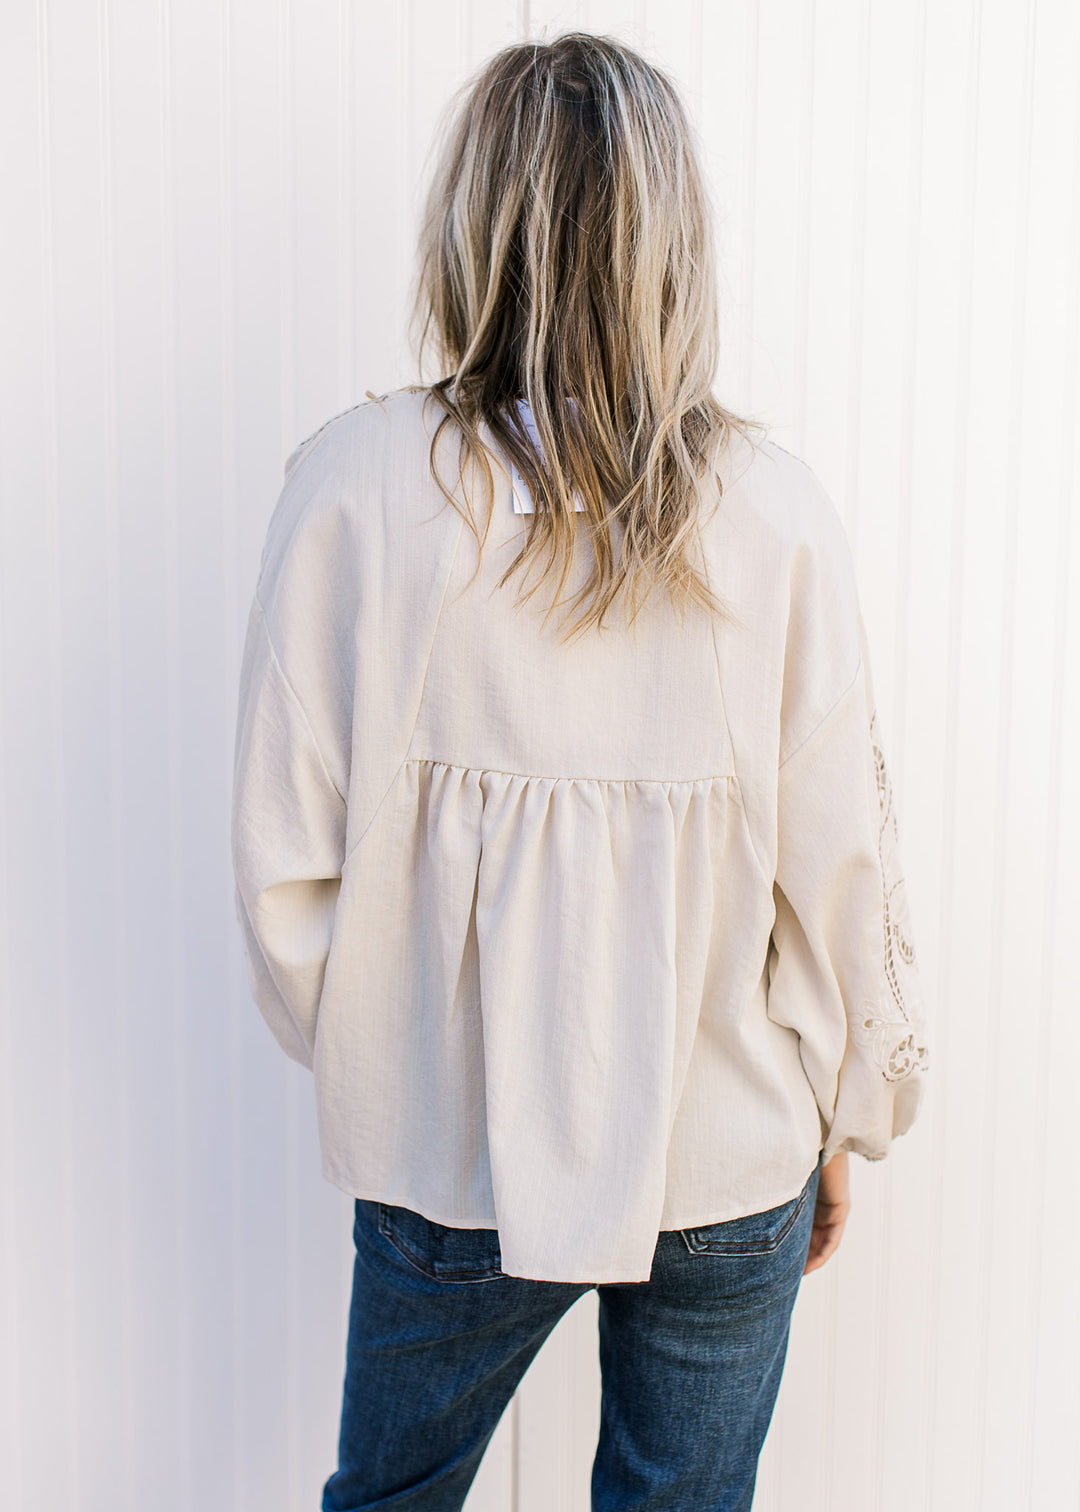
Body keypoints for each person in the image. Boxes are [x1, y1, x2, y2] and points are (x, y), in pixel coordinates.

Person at [230, 30, 930, 1512]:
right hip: (728, 1147)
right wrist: (843, 1114)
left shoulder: (354, 488)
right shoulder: (776, 516)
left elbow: (281, 858)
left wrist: (393, 1050)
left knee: (391, 1498)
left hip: (448, 1146)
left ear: (474, 226)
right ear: (678, 243)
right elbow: (841, 876)